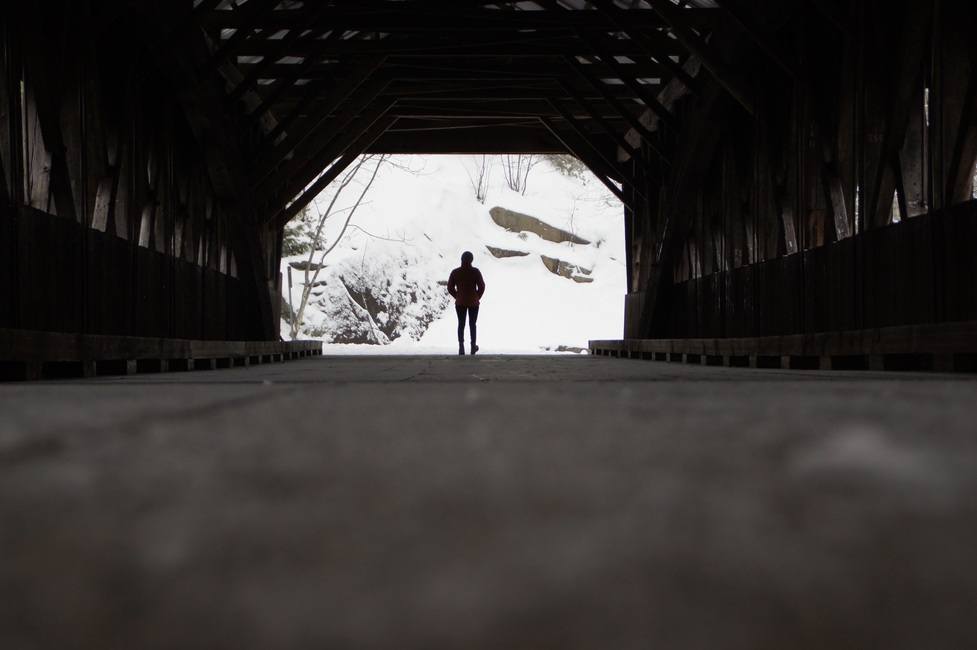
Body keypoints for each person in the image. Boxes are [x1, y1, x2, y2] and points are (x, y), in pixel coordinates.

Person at [447, 251, 485, 355]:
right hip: (473, 302)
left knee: (461, 324)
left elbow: (450, 287)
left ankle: (461, 347)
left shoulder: (455, 272)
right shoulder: (476, 272)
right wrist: (477, 297)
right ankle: (473, 346)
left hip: (460, 303)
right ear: (471, 260)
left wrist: (457, 296)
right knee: (472, 324)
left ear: (461, 259)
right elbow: (482, 286)